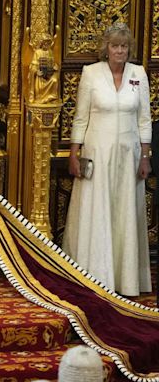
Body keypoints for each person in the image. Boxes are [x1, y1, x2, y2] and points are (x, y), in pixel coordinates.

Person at [63, 22, 152, 296]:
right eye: (115, 46)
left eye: (124, 46)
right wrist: (74, 153)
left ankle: (124, 279)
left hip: (129, 154)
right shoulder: (91, 73)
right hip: (97, 151)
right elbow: (80, 117)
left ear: (129, 50)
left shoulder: (139, 74)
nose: (120, 51)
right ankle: (91, 273)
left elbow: (144, 118)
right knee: (96, 209)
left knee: (124, 211)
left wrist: (146, 156)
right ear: (107, 48)